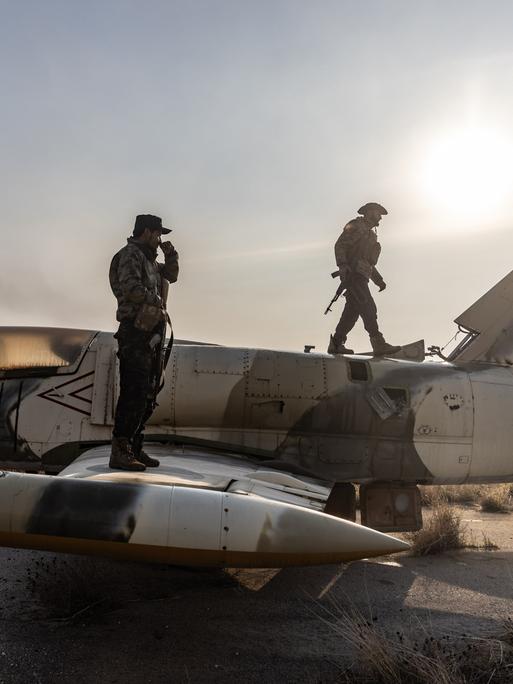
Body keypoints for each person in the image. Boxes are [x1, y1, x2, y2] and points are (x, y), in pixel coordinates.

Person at [109, 214, 179, 470]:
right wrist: (157, 301)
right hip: (135, 332)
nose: (160, 239)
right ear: (147, 232)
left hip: (151, 333)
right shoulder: (130, 255)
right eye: (158, 234)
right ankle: (121, 449)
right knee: (134, 391)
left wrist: (171, 256)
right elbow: (131, 288)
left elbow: (171, 276)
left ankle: (135, 447)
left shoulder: (151, 262)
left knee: (148, 393)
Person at [328, 202, 400, 356]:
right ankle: (378, 342)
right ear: (369, 212)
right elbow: (340, 245)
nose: (380, 217)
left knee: (351, 313)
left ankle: (336, 343)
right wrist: (342, 265)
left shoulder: (371, 234)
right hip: (353, 276)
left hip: (362, 276)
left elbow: (368, 262)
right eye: (378, 213)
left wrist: (378, 280)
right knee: (368, 307)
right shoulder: (356, 226)